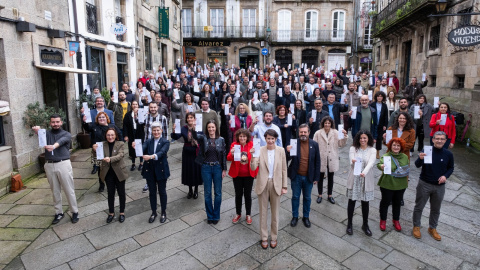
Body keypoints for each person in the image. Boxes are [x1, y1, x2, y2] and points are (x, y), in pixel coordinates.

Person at [32, 115, 79, 224]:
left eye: (57, 122)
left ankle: (74, 211)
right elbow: (40, 136)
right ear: (50, 123)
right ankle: (58, 212)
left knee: (69, 189)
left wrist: (53, 146)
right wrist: (37, 130)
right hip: (49, 164)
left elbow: (62, 141)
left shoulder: (66, 134)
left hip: (63, 164)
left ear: (61, 122)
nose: (55, 124)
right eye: (53, 122)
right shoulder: (47, 133)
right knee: (55, 191)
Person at [412, 131, 454, 241]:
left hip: (439, 186)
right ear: (433, 139)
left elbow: (451, 168)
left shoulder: (448, 154)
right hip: (425, 183)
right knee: (419, 206)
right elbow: (417, 165)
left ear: (445, 141)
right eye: (437, 138)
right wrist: (420, 158)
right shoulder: (427, 150)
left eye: (442, 139)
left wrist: (445, 176)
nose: (439, 141)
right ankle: (416, 226)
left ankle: (432, 228)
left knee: (436, 209)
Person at [250, 129, 288, 249]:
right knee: (263, 213)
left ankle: (274, 236)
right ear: (265, 139)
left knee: (275, 213)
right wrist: (252, 156)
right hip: (263, 183)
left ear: (275, 139)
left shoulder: (281, 151)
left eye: (272, 139)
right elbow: (253, 167)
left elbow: (284, 169)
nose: (270, 141)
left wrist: (284, 186)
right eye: (268, 138)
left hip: (276, 183)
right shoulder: (260, 150)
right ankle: (264, 237)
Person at [192, 120, 227, 224]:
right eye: (209, 128)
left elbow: (223, 155)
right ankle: (209, 216)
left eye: (213, 127)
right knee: (207, 193)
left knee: (218, 193)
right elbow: (195, 137)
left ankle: (216, 215)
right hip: (206, 167)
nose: (211, 129)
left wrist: (224, 169)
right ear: (207, 129)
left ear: (216, 128)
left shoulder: (221, 139)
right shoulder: (203, 138)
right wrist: (193, 128)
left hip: (217, 167)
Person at [286, 124, 320, 228]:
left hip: (308, 177)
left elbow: (317, 161)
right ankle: (295, 216)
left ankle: (306, 217)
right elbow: (287, 159)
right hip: (296, 176)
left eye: (305, 132)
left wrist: (316, 177)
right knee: (295, 197)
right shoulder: (294, 143)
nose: (303, 134)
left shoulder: (314, 144)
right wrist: (287, 151)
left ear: (309, 133)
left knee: (307, 198)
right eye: (301, 132)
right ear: (298, 133)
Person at [92, 128, 128, 223]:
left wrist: (110, 159)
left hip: (119, 172)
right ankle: (111, 212)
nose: (110, 137)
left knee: (121, 193)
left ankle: (122, 212)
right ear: (105, 136)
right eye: (108, 135)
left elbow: (120, 155)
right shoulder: (101, 145)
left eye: (112, 135)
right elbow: (96, 159)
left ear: (115, 135)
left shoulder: (120, 144)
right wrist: (94, 150)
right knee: (110, 193)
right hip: (108, 173)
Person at [346, 130, 377, 236]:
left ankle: (365, 224)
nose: (362, 140)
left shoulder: (372, 150)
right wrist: (353, 161)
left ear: (368, 139)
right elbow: (351, 160)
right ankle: (349, 224)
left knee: (365, 202)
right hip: (354, 177)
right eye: (361, 138)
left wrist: (364, 172)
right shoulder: (353, 148)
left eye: (365, 138)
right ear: (358, 139)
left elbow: (371, 162)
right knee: (351, 201)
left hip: (365, 177)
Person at [139, 122, 170, 223]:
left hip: (161, 170)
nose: (156, 132)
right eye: (154, 130)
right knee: (152, 192)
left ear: (161, 131)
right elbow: (141, 150)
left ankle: (163, 212)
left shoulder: (165, 142)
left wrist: (151, 156)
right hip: (150, 170)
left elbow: (162, 153)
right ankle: (153, 212)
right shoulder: (148, 141)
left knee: (162, 192)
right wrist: (137, 147)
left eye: (158, 130)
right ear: (151, 131)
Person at [83, 112, 122, 192]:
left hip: (110, 149)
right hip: (98, 150)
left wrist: (118, 145)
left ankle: (113, 183)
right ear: (97, 119)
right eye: (99, 117)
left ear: (106, 118)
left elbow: (119, 135)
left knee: (112, 167)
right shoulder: (94, 126)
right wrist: (84, 121)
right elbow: (87, 128)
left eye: (103, 117)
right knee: (100, 169)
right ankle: (101, 184)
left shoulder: (111, 126)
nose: (101, 119)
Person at [313, 116, 348, 204]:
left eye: (329, 123)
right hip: (321, 157)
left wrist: (344, 136)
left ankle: (330, 195)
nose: (327, 125)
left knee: (331, 177)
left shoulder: (336, 132)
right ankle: (320, 194)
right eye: (325, 123)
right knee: (320, 177)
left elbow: (341, 144)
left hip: (332, 157)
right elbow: (314, 145)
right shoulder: (318, 133)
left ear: (331, 124)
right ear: (323, 124)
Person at [377, 138, 409, 232]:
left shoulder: (404, 157)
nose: (396, 147)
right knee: (385, 202)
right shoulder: (386, 156)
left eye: (398, 146)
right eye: (394, 145)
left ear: (401, 147)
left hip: (401, 185)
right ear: (390, 146)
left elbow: (406, 169)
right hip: (387, 184)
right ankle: (383, 220)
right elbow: (379, 164)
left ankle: (396, 220)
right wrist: (381, 166)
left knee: (397, 203)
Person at [227, 129, 258, 225]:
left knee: (248, 195)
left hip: (249, 175)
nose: (242, 138)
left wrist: (256, 172)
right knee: (238, 194)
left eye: (244, 136)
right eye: (240, 136)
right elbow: (228, 158)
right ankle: (238, 213)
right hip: (237, 175)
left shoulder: (252, 145)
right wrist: (232, 153)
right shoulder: (234, 145)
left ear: (247, 137)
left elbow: (256, 160)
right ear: (238, 137)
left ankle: (248, 214)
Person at [171, 113, 202, 199]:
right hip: (187, 152)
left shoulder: (198, 127)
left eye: (191, 118)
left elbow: (201, 138)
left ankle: (196, 189)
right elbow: (176, 137)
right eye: (188, 118)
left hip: (196, 152)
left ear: (194, 119)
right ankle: (190, 190)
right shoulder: (184, 128)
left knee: (196, 171)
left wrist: (195, 130)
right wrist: (174, 130)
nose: (189, 119)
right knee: (188, 171)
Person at [123, 100, 145, 171]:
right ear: (131, 106)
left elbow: (143, 124)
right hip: (131, 134)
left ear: (138, 105)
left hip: (140, 133)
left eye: (136, 104)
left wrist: (138, 115)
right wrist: (126, 135)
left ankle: (141, 163)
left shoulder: (141, 114)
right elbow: (125, 126)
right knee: (132, 149)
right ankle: (133, 163)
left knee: (140, 148)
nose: (135, 105)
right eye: (133, 104)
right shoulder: (128, 114)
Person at [371, 92, 389, 158]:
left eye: (381, 96)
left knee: (379, 138)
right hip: (373, 124)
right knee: (372, 137)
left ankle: (377, 152)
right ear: (376, 97)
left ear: (383, 97)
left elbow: (386, 116)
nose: (379, 97)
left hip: (381, 124)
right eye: (378, 96)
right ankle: (370, 151)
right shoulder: (372, 104)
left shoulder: (384, 105)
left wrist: (385, 125)